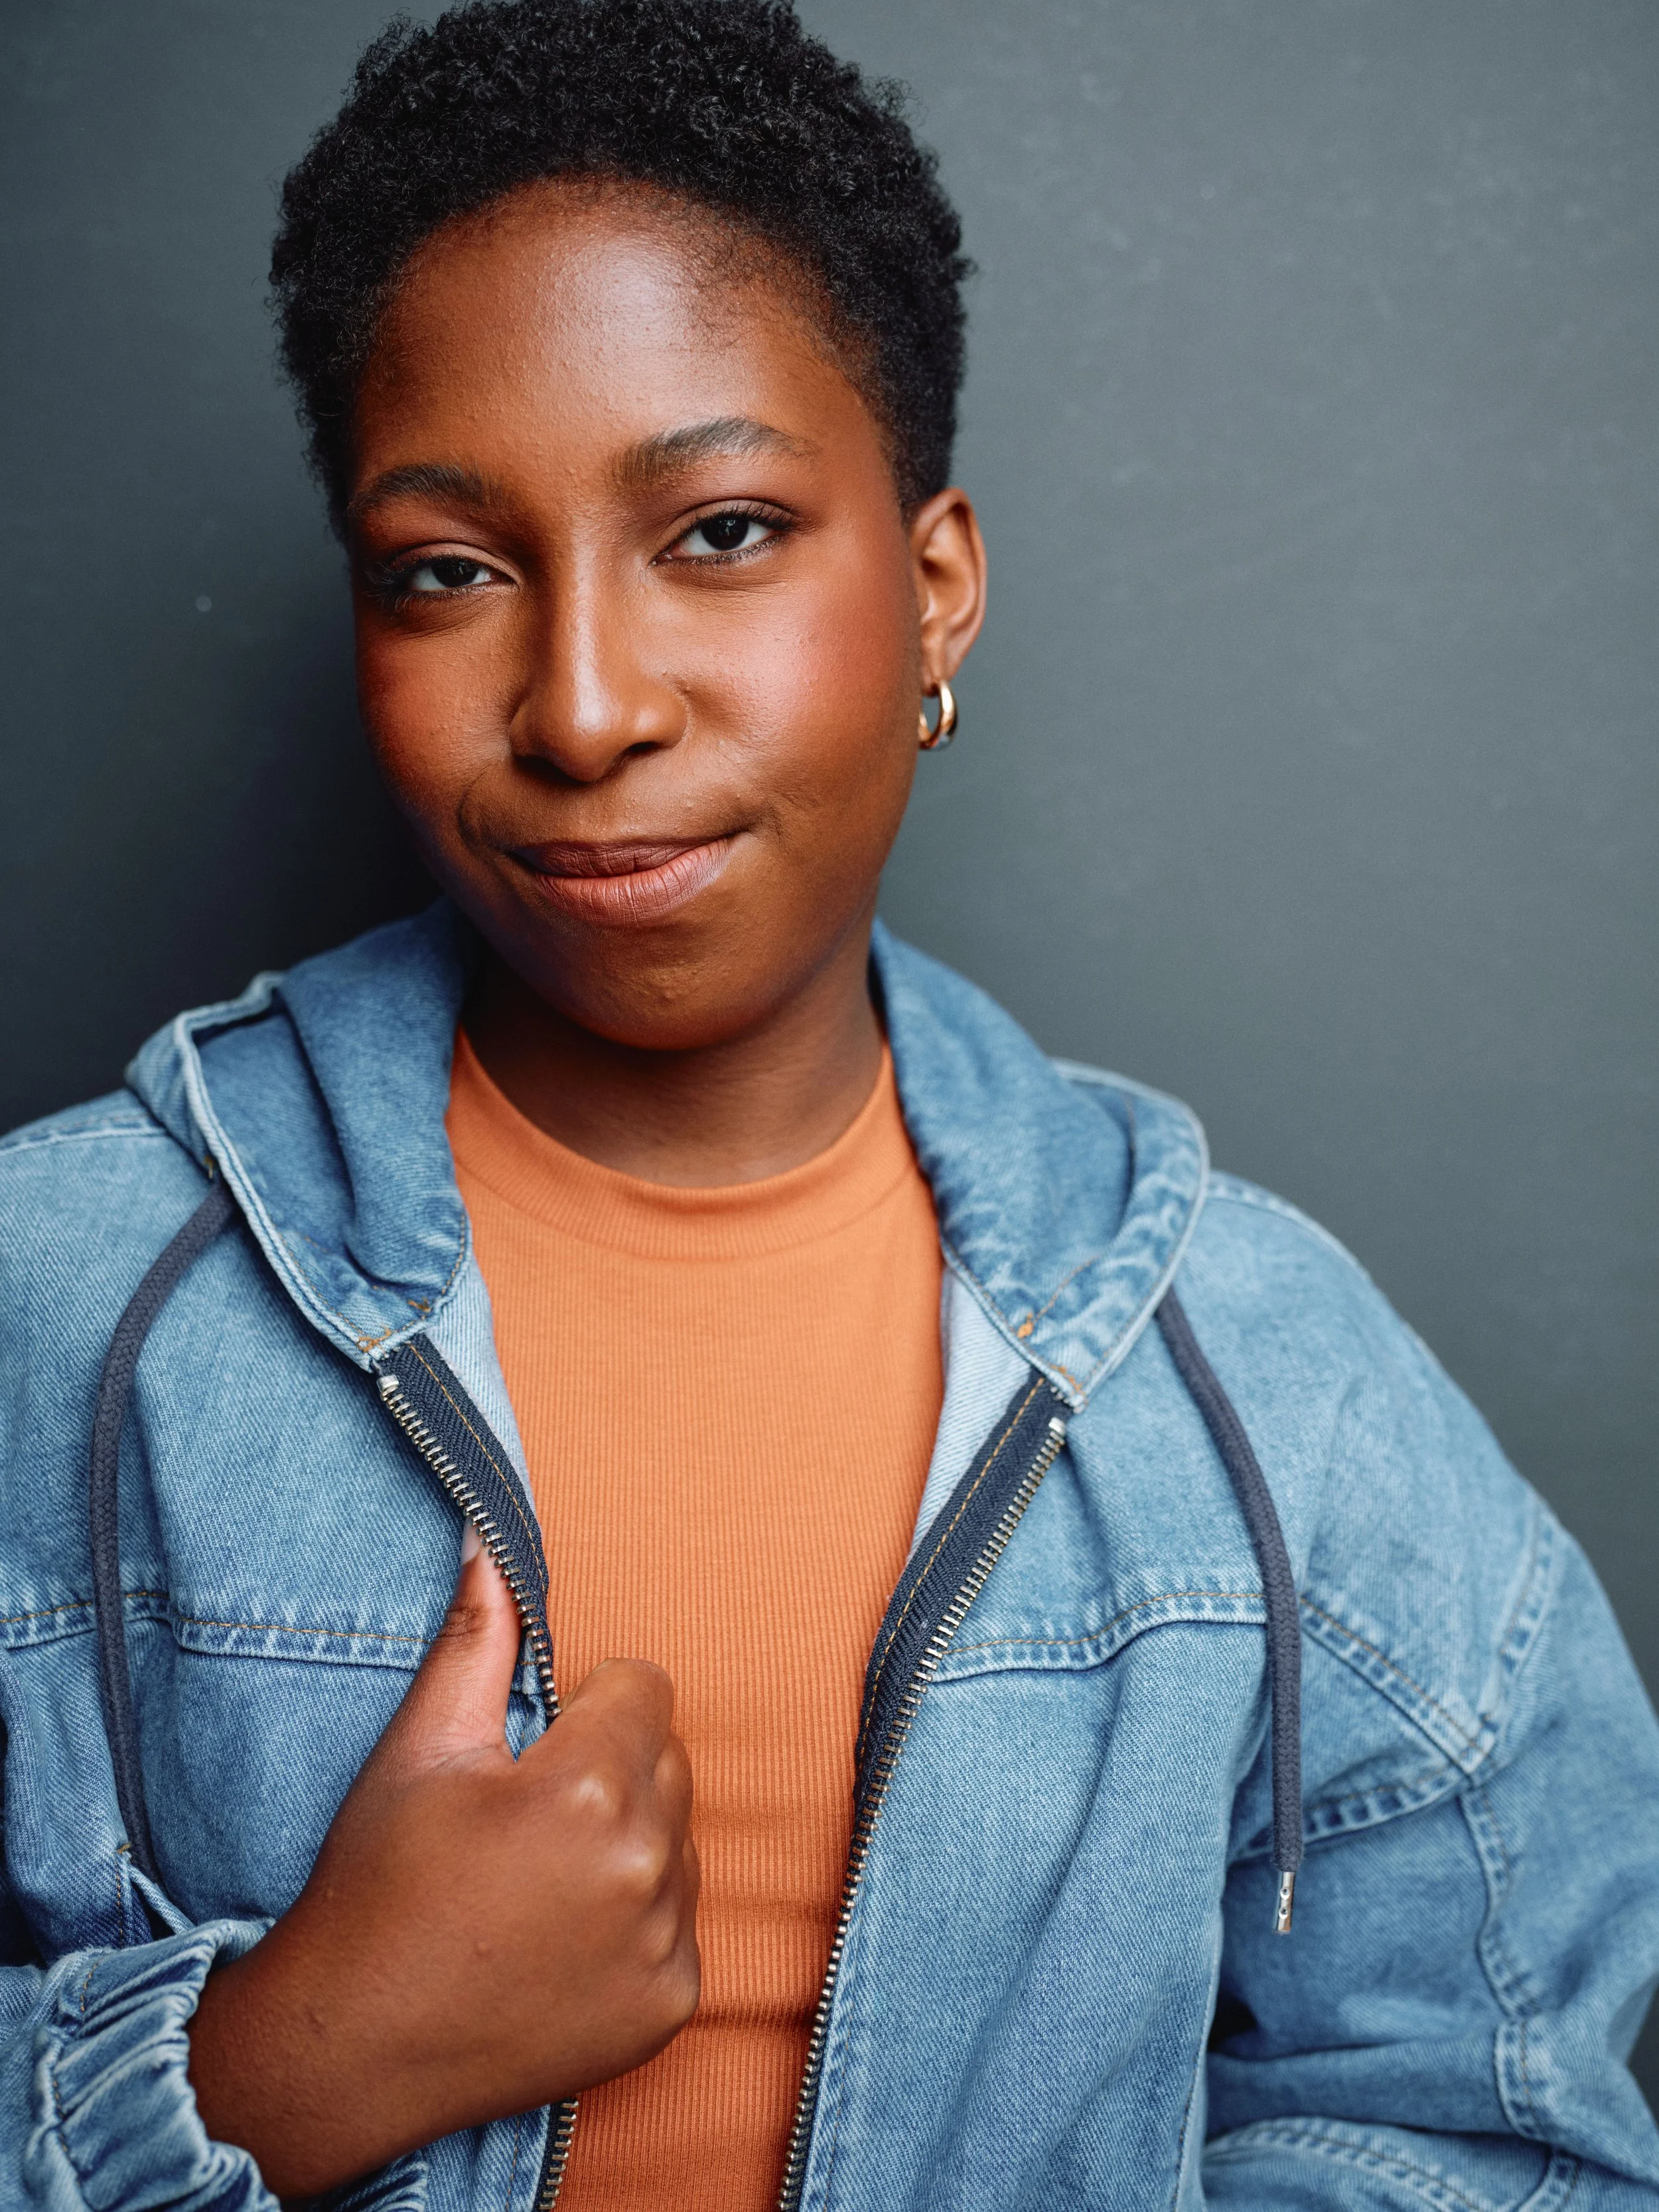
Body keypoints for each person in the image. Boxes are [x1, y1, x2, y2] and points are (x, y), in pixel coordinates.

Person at [1, 0, 1656, 2204]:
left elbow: (1493, 2112)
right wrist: (285, 2056)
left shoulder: (1260, 1379)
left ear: (935, 587)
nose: (583, 707)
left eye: (721, 534)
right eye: (448, 571)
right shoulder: (57, 1301)